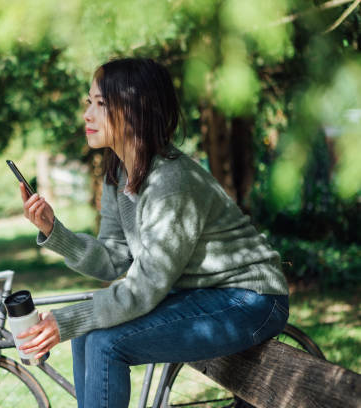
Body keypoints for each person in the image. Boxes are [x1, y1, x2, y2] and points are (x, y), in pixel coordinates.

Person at [16, 57, 289, 408]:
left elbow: (144, 289)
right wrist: (54, 230)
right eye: (89, 102)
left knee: (104, 342)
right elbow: (112, 259)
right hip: (203, 296)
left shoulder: (170, 182)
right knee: (87, 334)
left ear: (134, 110)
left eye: (101, 104)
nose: (87, 114)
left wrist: (65, 320)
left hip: (251, 299)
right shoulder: (120, 175)